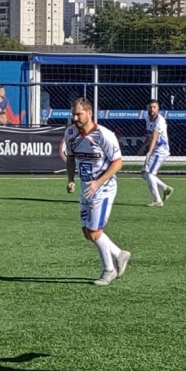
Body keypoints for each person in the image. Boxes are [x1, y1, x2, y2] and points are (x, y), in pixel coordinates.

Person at [64, 96, 130, 286]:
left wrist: (98, 182)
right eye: (73, 114)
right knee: (87, 232)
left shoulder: (104, 135)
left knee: (94, 232)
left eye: (79, 114)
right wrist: (70, 180)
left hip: (104, 188)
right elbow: (70, 158)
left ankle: (109, 270)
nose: (75, 118)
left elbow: (118, 163)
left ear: (89, 113)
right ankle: (119, 254)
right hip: (86, 187)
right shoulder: (70, 134)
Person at [138, 99, 173, 207]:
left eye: (154, 107)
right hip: (155, 150)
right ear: (147, 108)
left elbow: (155, 136)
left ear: (158, 109)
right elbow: (149, 136)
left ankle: (157, 200)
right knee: (144, 174)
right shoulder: (147, 119)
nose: (152, 109)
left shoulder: (160, 121)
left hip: (161, 150)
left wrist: (149, 151)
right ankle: (165, 188)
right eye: (150, 107)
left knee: (149, 174)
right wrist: (143, 147)